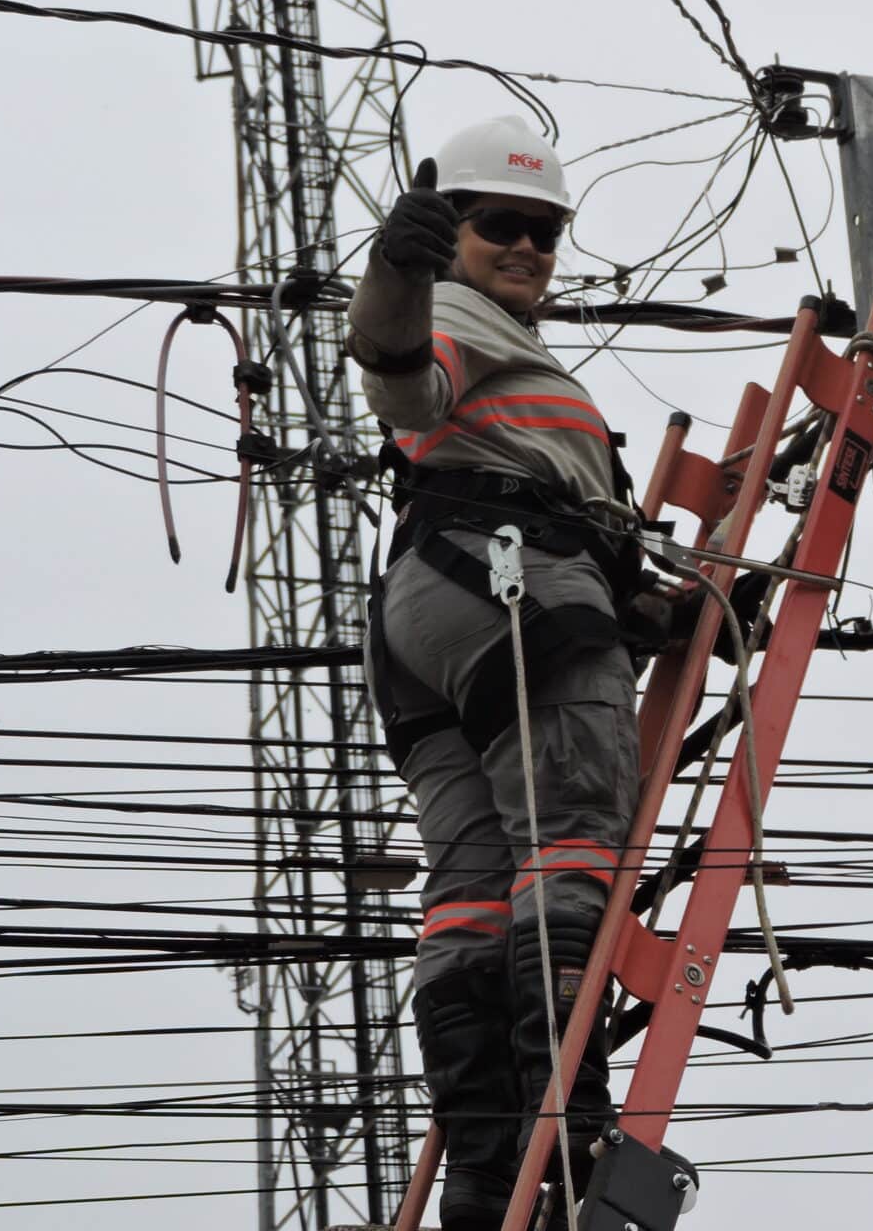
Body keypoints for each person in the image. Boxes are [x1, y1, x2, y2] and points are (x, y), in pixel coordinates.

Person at [347, 115, 644, 1231]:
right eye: (499, 225)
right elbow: (398, 378)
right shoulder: (452, 313)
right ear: (453, 233)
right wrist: (396, 269)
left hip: (432, 615)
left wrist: (644, 601)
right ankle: (561, 1121)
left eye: (544, 231)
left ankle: (480, 1171)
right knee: (568, 838)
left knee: (472, 888)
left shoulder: (503, 340)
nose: (526, 247)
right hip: (511, 588)